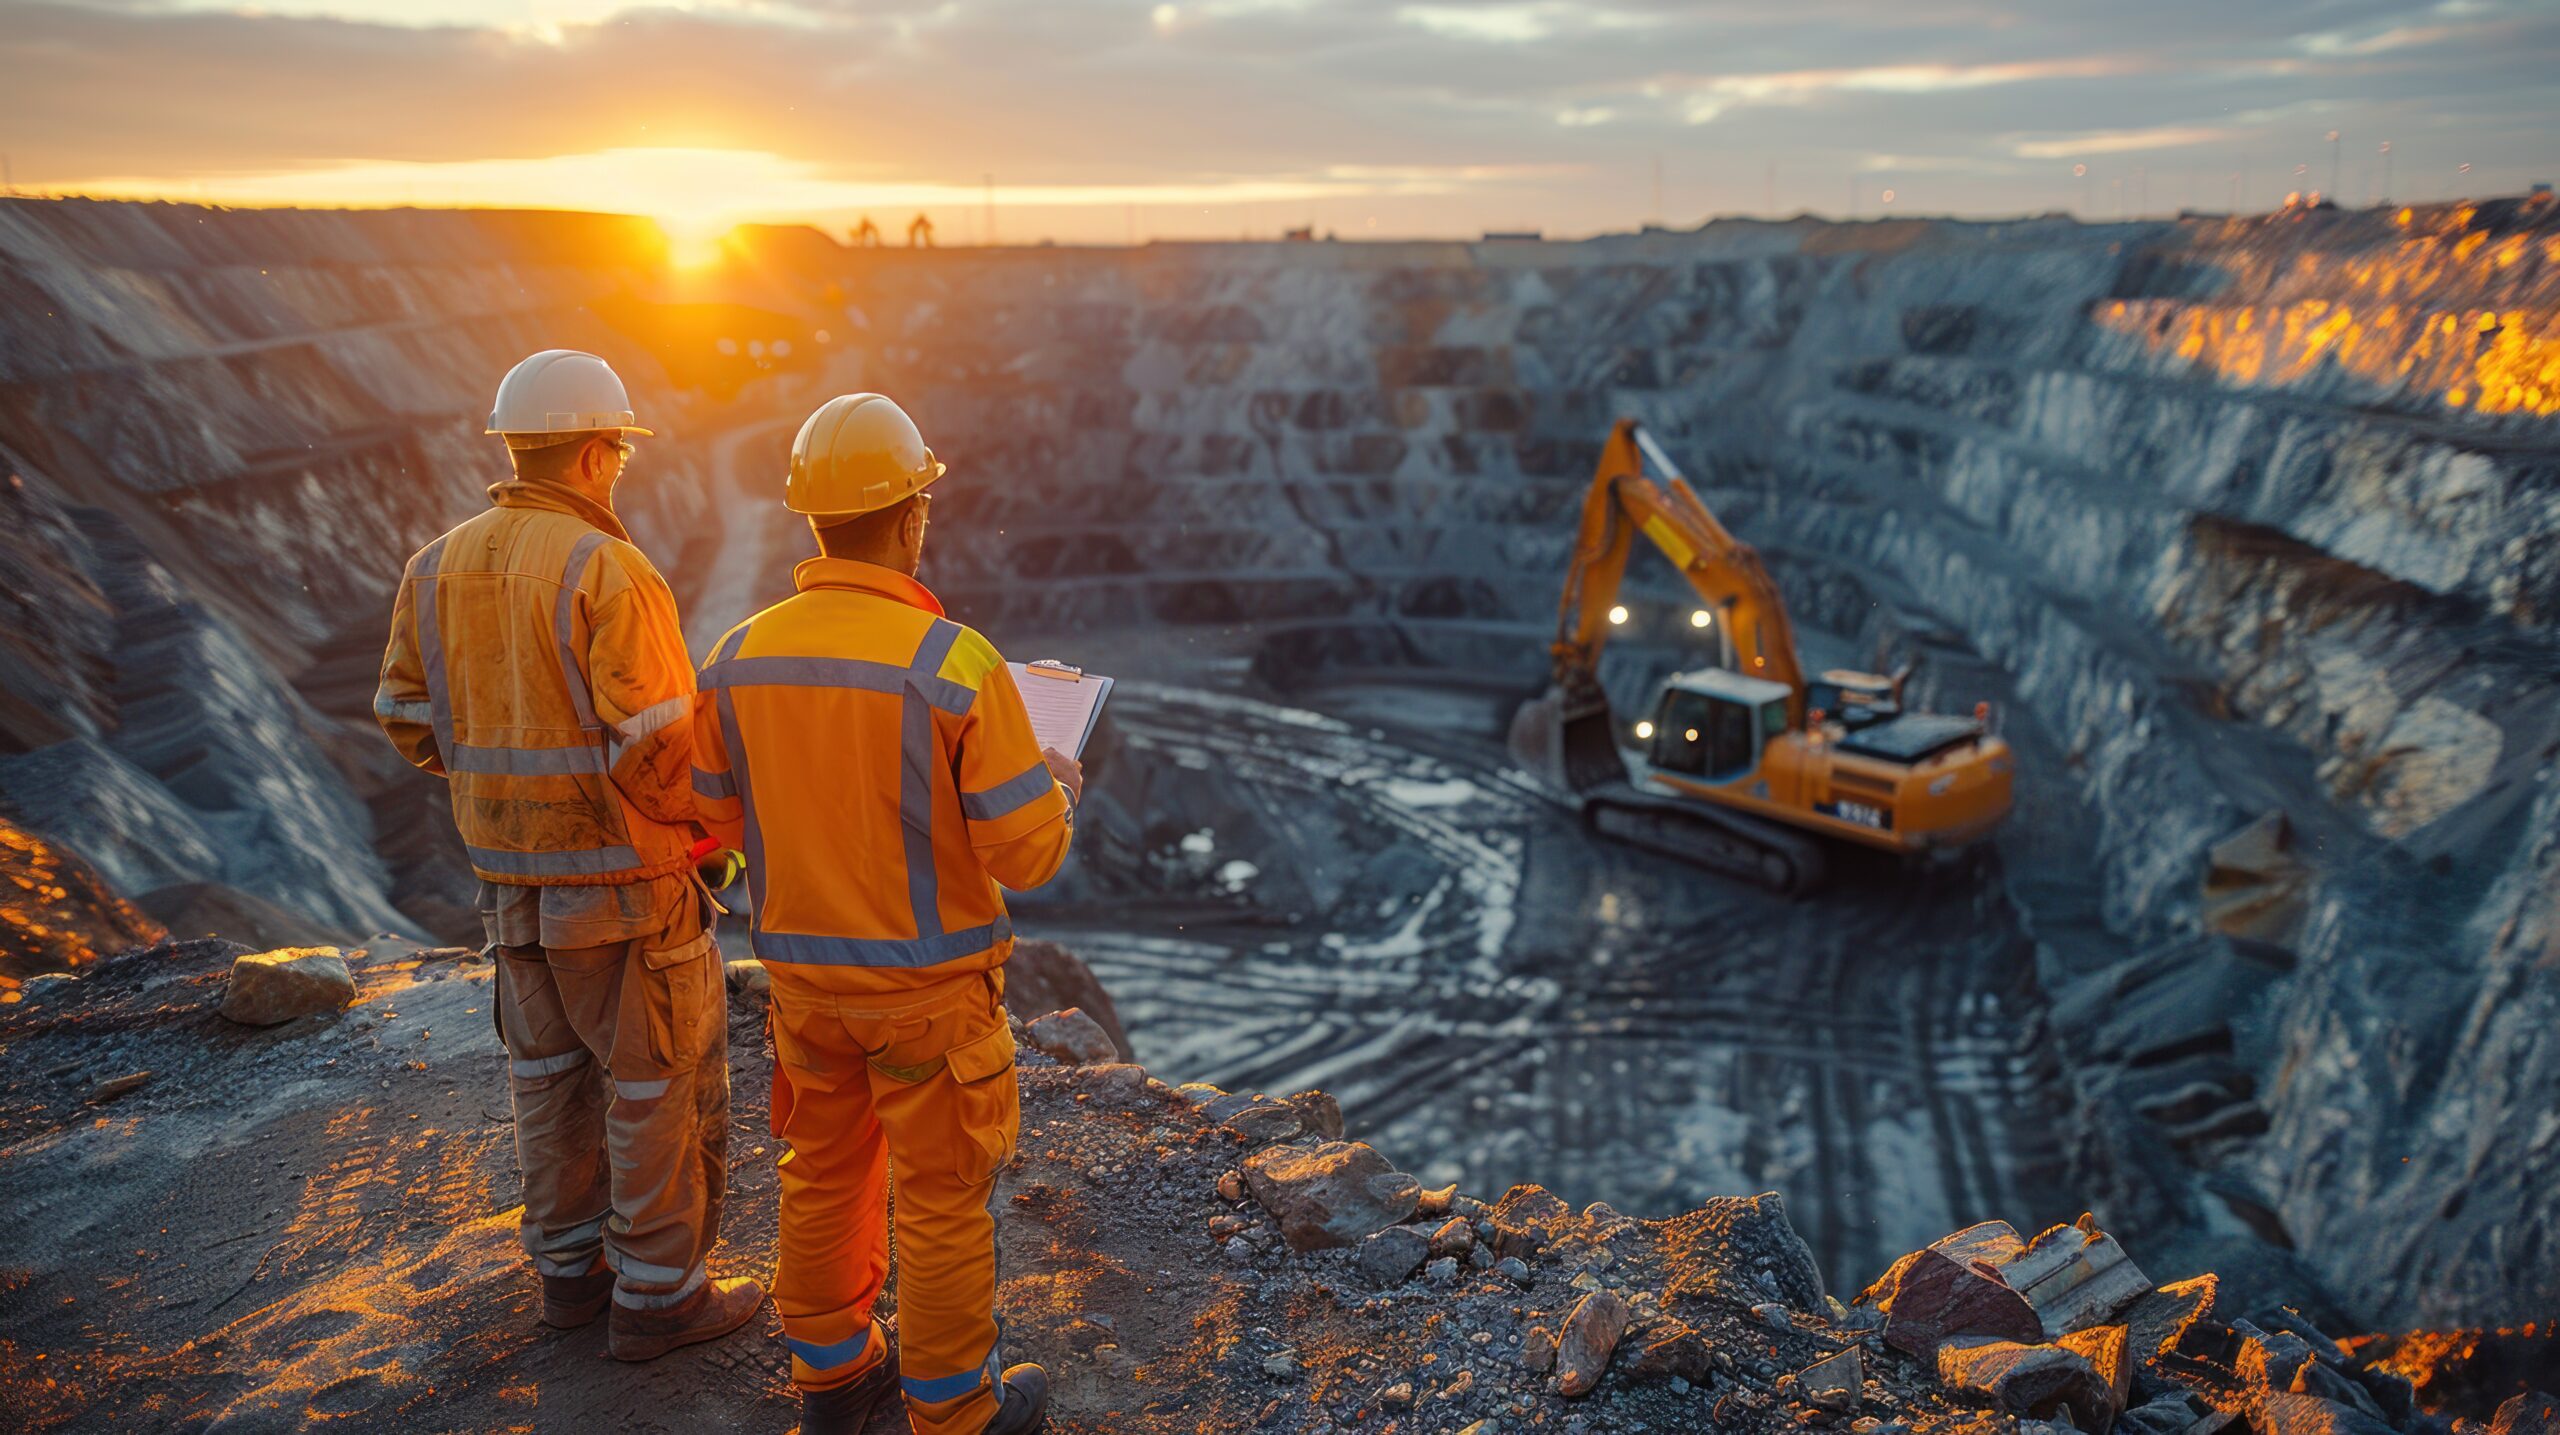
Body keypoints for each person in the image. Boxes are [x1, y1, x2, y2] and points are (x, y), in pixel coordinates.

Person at [690, 393, 1077, 1435]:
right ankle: (952, 1412)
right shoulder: (955, 663)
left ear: (813, 522)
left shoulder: (737, 656)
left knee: (820, 1173)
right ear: (909, 516)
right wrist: (1057, 782)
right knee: (941, 1198)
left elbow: (714, 816)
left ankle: (831, 1380)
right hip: (930, 1000)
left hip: (807, 993)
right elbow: (1026, 852)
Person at [374, 349, 764, 1360]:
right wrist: (709, 836)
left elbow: (408, 719)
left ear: (514, 446)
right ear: (597, 453)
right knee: (652, 1084)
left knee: (547, 1081)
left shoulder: (436, 564)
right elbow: (658, 749)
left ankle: (569, 1278)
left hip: (510, 886)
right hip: (627, 890)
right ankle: (660, 1295)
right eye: (619, 454)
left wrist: (507, 797)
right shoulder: (609, 569)